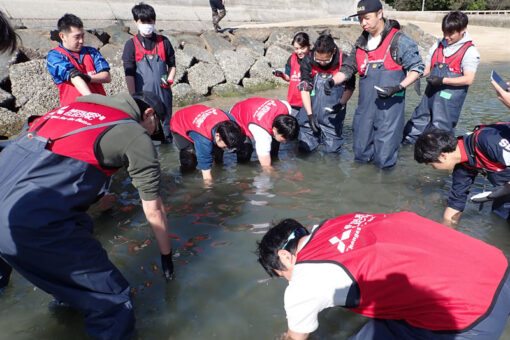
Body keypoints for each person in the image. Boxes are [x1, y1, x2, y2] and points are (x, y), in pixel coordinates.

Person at [0, 91, 174, 339]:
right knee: (113, 300)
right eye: (154, 129)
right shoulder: (133, 133)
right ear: (149, 114)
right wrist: (167, 259)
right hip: (28, 221)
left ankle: (66, 302)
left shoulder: (67, 109)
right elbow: (154, 209)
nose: (151, 136)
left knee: (78, 232)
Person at [256, 211, 510, 340]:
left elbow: (298, 338)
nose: (289, 280)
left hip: (471, 317)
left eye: (283, 275)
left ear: (285, 258)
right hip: (499, 265)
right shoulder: (340, 222)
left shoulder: (302, 282)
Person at [331, 0, 424, 168]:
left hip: (390, 111)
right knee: (360, 154)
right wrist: (332, 81)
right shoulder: (360, 44)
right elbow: (347, 68)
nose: (363, 23)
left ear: (380, 14)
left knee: (384, 159)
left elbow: (417, 68)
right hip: (365, 111)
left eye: (366, 18)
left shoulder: (399, 40)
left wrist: (398, 87)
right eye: (360, 19)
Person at [402, 11, 480, 144]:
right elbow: (426, 69)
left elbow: (468, 79)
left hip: (448, 102)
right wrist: (414, 73)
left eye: (451, 33)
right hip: (429, 97)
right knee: (413, 130)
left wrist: (443, 80)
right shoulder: (437, 46)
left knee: (439, 137)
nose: (447, 37)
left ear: (463, 30)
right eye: (445, 32)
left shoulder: (470, 52)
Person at [415, 126, 510, 224]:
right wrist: (446, 228)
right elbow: (456, 202)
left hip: (506, 187)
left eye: (432, 165)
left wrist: (505, 190)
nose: (435, 169)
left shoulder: (489, 141)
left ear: (443, 156)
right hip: (504, 189)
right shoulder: (462, 164)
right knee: (500, 218)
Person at [123, 2, 176, 143]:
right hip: (143, 96)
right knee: (144, 131)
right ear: (136, 22)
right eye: (143, 21)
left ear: (154, 21)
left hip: (163, 93)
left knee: (166, 129)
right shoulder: (131, 45)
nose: (147, 24)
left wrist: (170, 79)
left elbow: (172, 65)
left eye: (150, 21)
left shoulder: (164, 42)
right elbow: (129, 73)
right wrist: (133, 97)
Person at [295, 34, 355, 153]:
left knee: (333, 152)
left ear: (333, 52)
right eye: (319, 60)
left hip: (332, 114)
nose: (322, 63)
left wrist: (341, 103)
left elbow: (350, 88)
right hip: (310, 109)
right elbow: (304, 89)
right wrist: (310, 115)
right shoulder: (308, 59)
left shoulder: (345, 61)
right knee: (304, 149)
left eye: (326, 60)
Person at [47, 13, 111, 106]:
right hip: (74, 111)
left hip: (100, 108)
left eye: (82, 36)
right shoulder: (55, 55)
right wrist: (91, 100)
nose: (81, 41)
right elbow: (73, 76)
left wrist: (88, 78)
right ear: (62, 36)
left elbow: (107, 76)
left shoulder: (92, 52)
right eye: (77, 37)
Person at [170, 104, 244, 184]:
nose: (228, 149)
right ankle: (185, 182)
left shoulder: (231, 121)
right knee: (189, 161)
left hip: (198, 112)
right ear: (217, 135)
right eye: (226, 147)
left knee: (218, 154)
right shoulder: (204, 141)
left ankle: (217, 169)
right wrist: (209, 191)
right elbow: (206, 176)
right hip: (179, 122)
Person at [228, 97, 299, 171]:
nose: (285, 142)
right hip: (236, 116)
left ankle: (273, 158)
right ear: (274, 129)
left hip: (251, 107)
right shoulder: (263, 135)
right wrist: (274, 174)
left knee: (275, 143)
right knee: (245, 149)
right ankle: (242, 171)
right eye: (285, 139)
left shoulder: (285, 107)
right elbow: (266, 167)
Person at [273, 32, 311, 116]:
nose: (299, 51)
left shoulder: (313, 59)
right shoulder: (292, 58)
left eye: (302, 48)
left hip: (308, 103)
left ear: (308, 46)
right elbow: (289, 78)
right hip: (293, 102)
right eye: (296, 48)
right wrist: (281, 75)